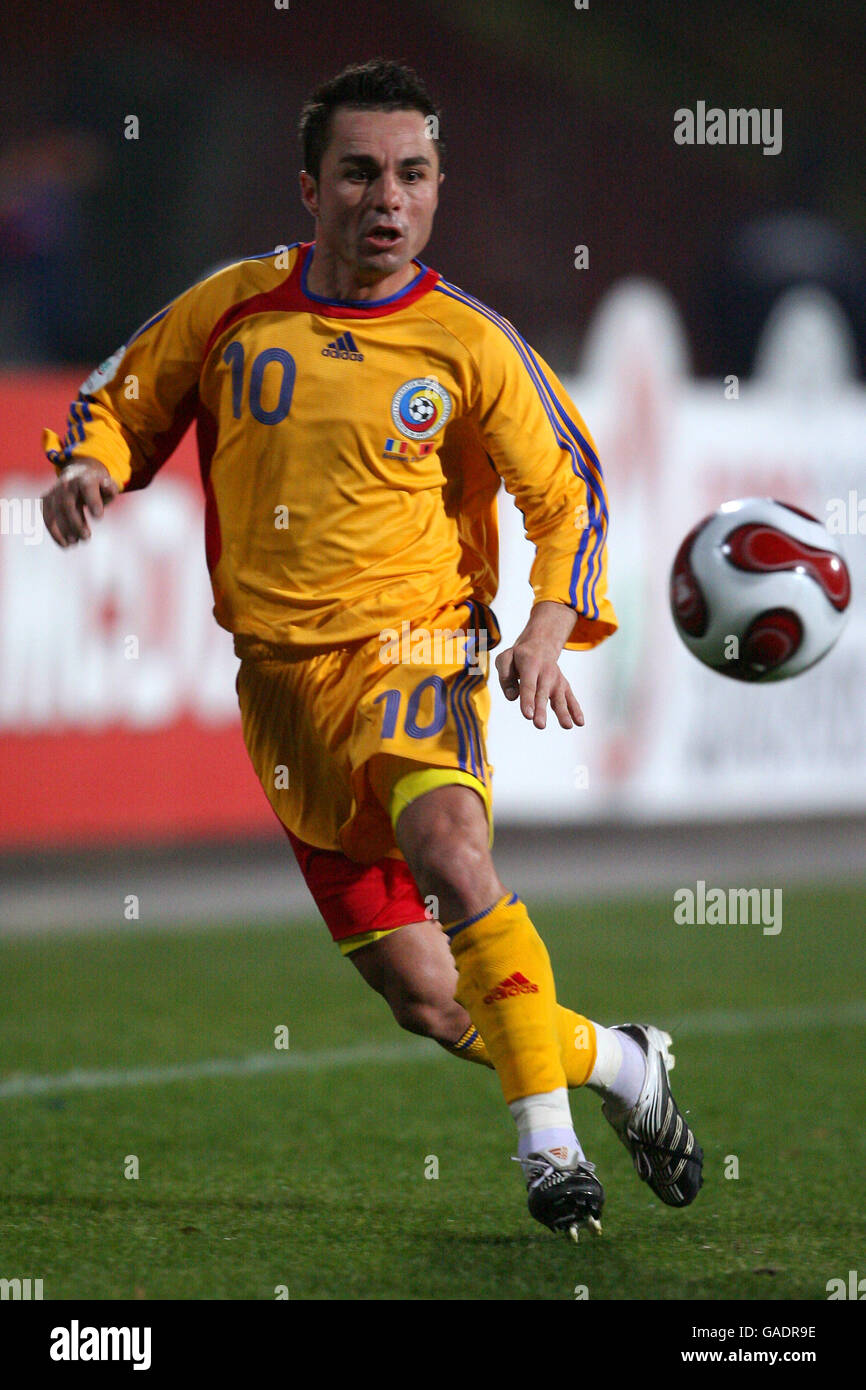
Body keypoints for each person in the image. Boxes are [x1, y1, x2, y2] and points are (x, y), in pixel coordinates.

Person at [41, 59, 702, 1241]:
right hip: (281, 690)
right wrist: (92, 464)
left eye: (410, 173)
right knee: (428, 1000)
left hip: (418, 647)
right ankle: (619, 1065)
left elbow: (574, 494)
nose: (384, 196)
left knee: (450, 848)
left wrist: (551, 625)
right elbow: (121, 393)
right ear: (310, 187)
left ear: (438, 189)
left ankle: (548, 1149)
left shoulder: (469, 344)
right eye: (358, 172)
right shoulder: (236, 305)